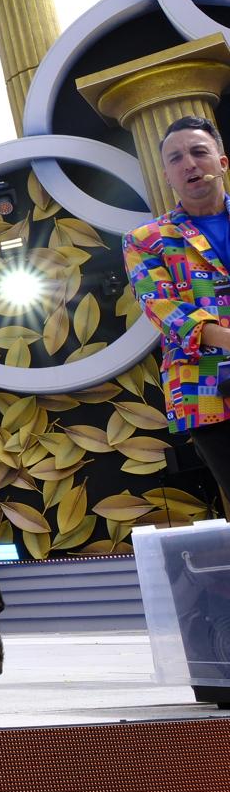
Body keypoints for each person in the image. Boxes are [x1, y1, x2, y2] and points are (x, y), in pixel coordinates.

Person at [123, 114, 230, 511]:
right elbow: (162, 307)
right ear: (167, 175)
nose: (189, 163)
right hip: (209, 392)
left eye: (199, 151)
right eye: (175, 158)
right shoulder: (145, 240)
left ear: (222, 162)